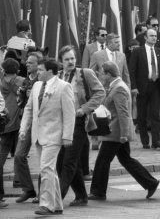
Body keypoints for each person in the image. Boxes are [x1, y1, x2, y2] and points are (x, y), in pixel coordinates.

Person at [89, 62, 159, 201]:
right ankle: (150, 182)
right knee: (126, 159)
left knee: (102, 160)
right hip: (116, 131)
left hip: (115, 132)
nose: (101, 75)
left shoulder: (119, 88)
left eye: (102, 73)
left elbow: (123, 113)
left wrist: (124, 134)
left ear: (109, 74)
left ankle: (98, 191)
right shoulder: (115, 86)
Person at [19, 58, 75, 215]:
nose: (38, 73)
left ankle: (46, 204)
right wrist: (23, 129)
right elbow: (29, 109)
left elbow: (69, 113)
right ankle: (57, 204)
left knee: (46, 168)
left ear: (50, 71)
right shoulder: (37, 86)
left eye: (41, 70)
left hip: (54, 134)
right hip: (38, 134)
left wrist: (67, 136)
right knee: (49, 170)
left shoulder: (64, 87)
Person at [56, 45, 105, 207]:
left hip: (79, 123)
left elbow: (100, 92)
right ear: (61, 61)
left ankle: (57, 199)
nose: (70, 62)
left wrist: (84, 109)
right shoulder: (58, 76)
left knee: (68, 162)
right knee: (64, 161)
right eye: (67, 59)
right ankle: (81, 195)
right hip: (61, 124)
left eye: (72, 58)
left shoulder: (85, 74)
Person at [129, 29, 160, 149]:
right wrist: (134, 87)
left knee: (155, 114)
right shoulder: (137, 51)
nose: (154, 38)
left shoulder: (159, 51)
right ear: (145, 38)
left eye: (155, 36)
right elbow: (132, 71)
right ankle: (145, 140)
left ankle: (156, 141)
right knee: (142, 115)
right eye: (151, 36)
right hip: (141, 87)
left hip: (155, 86)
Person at [14, 52, 42, 203]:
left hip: (41, 122)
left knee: (43, 159)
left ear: (38, 65)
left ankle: (42, 193)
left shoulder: (43, 80)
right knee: (19, 155)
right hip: (27, 122)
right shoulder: (25, 81)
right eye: (27, 62)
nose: (27, 64)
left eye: (31, 62)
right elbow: (22, 104)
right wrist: (21, 95)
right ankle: (28, 189)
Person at [0, 58, 25, 201]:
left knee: (3, 151)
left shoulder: (1, 81)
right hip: (18, 118)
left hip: (5, 118)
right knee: (19, 151)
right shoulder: (21, 81)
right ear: (16, 69)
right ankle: (17, 179)